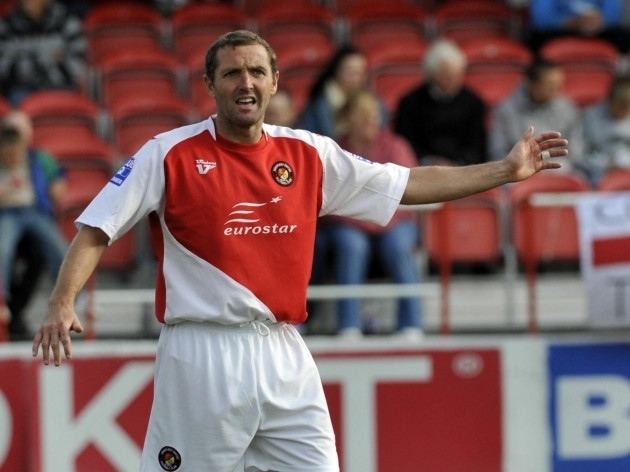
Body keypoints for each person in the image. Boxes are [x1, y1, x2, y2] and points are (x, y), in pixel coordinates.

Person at [31, 30, 568, 471]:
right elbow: (97, 229)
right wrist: (61, 301)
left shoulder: (309, 153)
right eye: (232, 73)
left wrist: (505, 170)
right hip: (202, 352)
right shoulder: (167, 154)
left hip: (286, 351)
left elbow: (406, 183)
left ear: (274, 82)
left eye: (257, 72)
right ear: (210, 85)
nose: (246, 83)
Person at [315, 90, 423, 338]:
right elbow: (328, 197)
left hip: (394, 222)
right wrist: (367, 217)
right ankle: (349, 325)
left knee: (398, 245)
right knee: (351, 245)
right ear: (347, 118)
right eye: (363, 116)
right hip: (348, 224)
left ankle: (411, 324)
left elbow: (409, 192)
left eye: (374, 116)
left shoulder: (396, 146)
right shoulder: (334, 150)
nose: (370, 122)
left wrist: (372, 217)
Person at [0, 123, 67, 337]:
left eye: (15, 152)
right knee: (2, 250)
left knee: (59, 247)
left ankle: (70, 293)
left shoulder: (38, 159)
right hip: (7, 213)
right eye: (7, 154)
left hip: (34, 211)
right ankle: (2, 298)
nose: (11, 158)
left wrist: (57, 185)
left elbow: (58, 174)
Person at [393, 39, 487, 167]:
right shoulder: (410, 103)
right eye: (447, 76)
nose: (453, 81)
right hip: (421, 170)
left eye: (456, 75)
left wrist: (456, 164)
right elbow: (404, 144)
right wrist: (428, 161)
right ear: (432, 75)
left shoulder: (473, 103)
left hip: (462, 170)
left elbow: (478, 146)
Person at [490, 58, 585, 172]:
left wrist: (545, 159)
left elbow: (576, 152)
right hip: (518, 171)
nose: (556, 90)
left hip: (560, 168)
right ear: (531, 83)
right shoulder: (506, 110)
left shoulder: (567, 108)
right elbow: (498, 153)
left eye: (559, 84)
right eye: (550, 85)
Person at [0, 0, 87, 105]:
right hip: (21, 93)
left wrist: (25, 60)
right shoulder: (6, 26)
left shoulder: (68, 22)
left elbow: (77, 67)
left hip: (63, 90)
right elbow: (4, 69)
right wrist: (48, 60)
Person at [298, 44, 369, 138]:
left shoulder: (371, 100)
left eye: (360, 73)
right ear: (336, 70)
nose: (356, 78)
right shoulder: (319, 103)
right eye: (350, 71)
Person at [528, 0, 630, 52]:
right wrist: (569, 22)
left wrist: (598, 21)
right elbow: (540, 18)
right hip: (562, 31)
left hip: (597, 30)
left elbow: (614, 14)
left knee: (624, 35)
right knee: (536, 37)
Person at [582, 74, 630, 184]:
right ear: (610, 100)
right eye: (620, 105)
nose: (624, 110)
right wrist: (603, 164)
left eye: (627, 106)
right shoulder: (592, 116)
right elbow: (580, 152)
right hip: (598, 168)